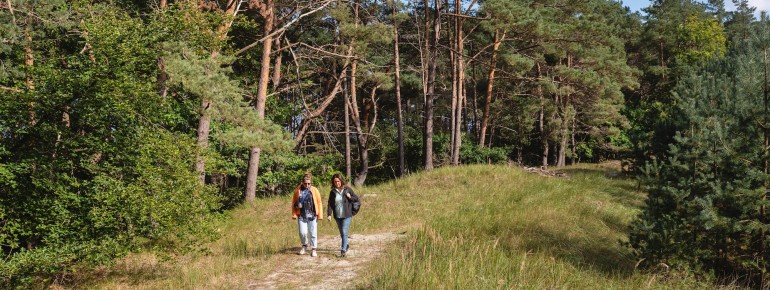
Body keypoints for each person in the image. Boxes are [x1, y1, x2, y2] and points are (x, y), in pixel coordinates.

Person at [326, 173, 359, 257]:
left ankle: (343, 250)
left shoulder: (347, 189)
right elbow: (330, 204)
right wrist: (329, 214)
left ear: (341, 181)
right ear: (333, 182)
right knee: (342, 233)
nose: (337, 183)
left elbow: (356, 198)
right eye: (335, 181)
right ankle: (346, 245)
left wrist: (350, 197)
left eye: (338, 181)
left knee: (344, 232)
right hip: (337, 216)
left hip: (347, 215)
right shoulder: (333, 192)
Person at [291, 173, 323, 257]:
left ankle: (314, 249)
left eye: (309, 183)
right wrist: (296, 207)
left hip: (312, 215)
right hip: (302, 215)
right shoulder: (297, 190)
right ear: (302, 182)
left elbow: (319, 202)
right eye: (306, 183)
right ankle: (304, 245)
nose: (307, 185)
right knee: (302, 232)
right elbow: (294, 203)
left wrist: (320, 215)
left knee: (313, 233)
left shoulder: (315, 190)